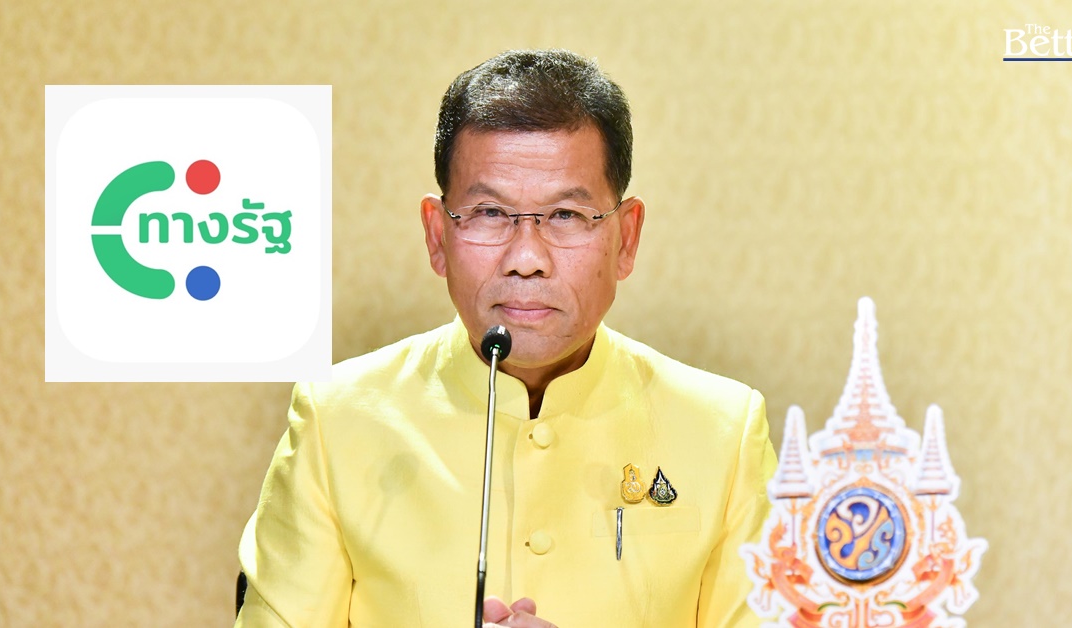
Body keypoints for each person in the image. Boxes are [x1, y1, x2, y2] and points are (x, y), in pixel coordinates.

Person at [235, 49, 777, 627]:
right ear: (437, 236)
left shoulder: (725, 431)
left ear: (626, 238)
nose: (526, 258)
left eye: (566, 215)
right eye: (490, 213)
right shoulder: (336, 418)